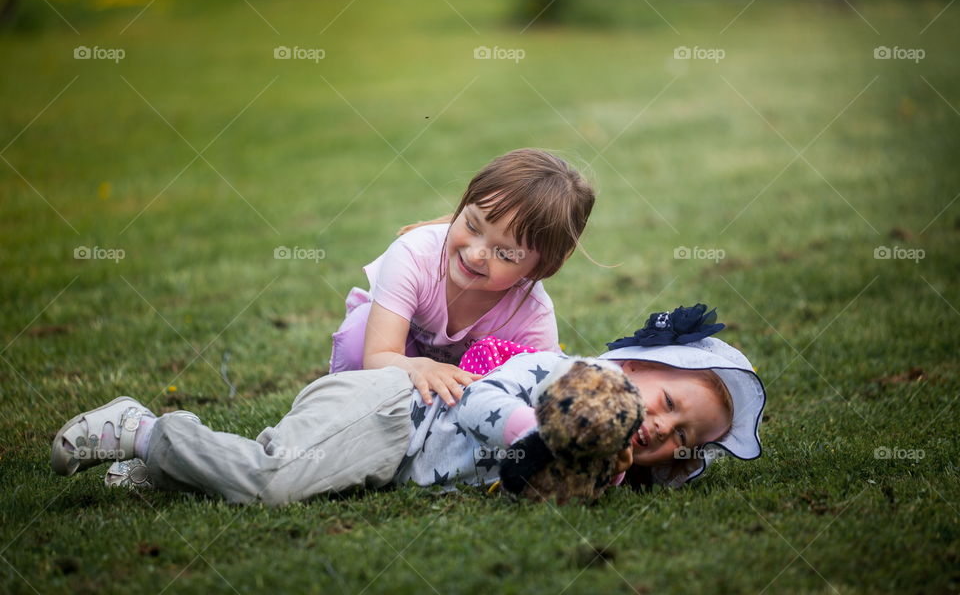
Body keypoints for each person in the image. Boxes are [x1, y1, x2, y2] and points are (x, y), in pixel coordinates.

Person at [50, 305, 767, 504]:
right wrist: (529, 438)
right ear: (635, 366)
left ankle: (164, 473)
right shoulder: (565, 380)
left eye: (685, 441)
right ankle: (145, 429)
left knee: (290, 474)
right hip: (396, 407)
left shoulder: (599, 463)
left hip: (387, 460)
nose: (665, 429)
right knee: (271, 484)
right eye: (668, 401)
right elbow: (482, 396)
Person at [330, 148, 595, 408]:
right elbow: (377, 354)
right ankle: (342, 410)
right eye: (471, 225)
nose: (476, 254)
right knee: (358, 335)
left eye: (503, 253)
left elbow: (545, 389)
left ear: (538, 270)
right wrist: (416, 366)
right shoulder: (415, 254)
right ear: (462, 207)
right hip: (398, 361)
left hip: (464, 394)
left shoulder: (532, 314)